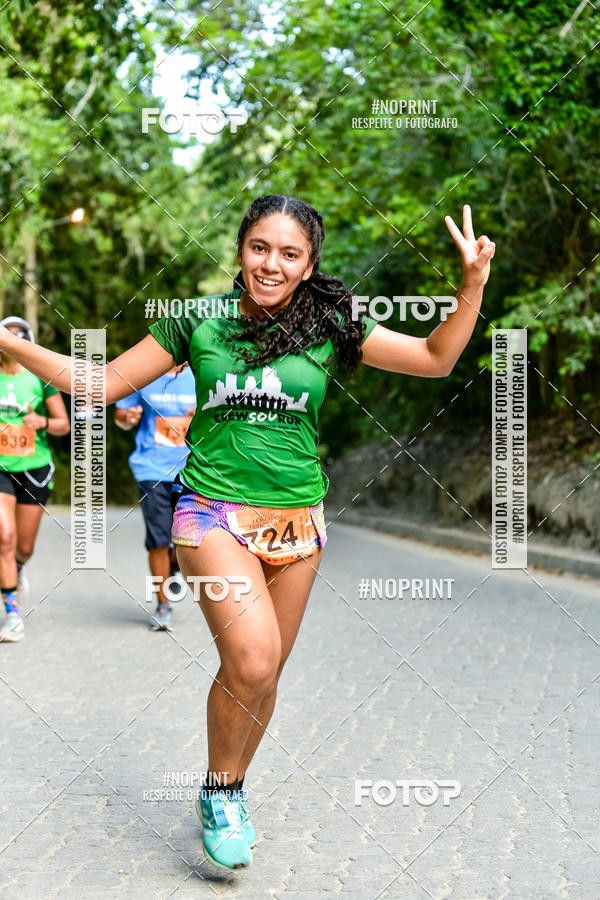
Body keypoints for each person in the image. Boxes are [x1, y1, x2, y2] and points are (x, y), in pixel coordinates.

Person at [0, 195, 494, 866]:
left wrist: (471, 285)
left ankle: (223, 790)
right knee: (254, 658)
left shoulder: (330, 323)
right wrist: (11, 342)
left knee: (262, 674)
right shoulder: (197, 321)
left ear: (309, 264)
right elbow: (102, 382)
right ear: (240, 250)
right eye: (260, 247)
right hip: (210, 513)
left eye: (290, 253)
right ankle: (224, 795)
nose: (271, 263)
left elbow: (435, 358)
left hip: (299, 521)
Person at [0, 316, 70, 643]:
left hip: (34, 469)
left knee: (23, 547)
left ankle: (17, 568)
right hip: (1, 469)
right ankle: (12, 615)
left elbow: (63, 424)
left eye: (19, 336)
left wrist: (40, 422)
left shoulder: (40, 378)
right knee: (4, 537)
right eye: (7, 335)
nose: (12, 340)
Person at [114, 363, 196, 630]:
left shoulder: (201, 371)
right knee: (158, 539)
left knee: (186, 540)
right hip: (152, 468)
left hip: (193, 469)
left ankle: (175, 562)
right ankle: (163, 606)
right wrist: (128, 418)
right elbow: (121, 416)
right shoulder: (146, 373)